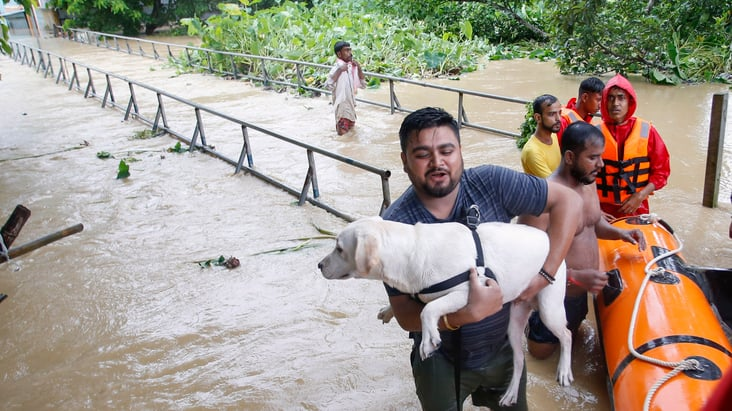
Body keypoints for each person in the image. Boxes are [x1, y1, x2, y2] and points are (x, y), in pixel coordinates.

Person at [382, 107, 581, 410]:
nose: (437, 162)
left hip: (503, 348)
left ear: (460, 151)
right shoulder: (395, 227)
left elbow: (568, 201)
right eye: (422, 154)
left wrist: (547, 273)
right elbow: (405, 314)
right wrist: (464, 315)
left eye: (446, 150)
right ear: (404, 161)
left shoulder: (491, 183)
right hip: (440, 358)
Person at [518, 121, 646, 359]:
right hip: (550, 300)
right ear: (569, 157)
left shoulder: (588, 183)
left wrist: (621, 234)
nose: (601, 164)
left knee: (571, 346)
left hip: (579, 296)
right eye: (593, 158)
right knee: (540, 356)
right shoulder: (543, 200)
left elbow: (594, 223)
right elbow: (524, 265)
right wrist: (576, 277)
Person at [596, 73, 671, 218]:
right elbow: (581, 177)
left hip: (637, 207)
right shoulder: (594, 133)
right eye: (610, 98)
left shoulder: (647, 131)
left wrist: (640, 195)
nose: (615, 103)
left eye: (621, 97)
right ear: (604, 102)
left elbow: (662, 173)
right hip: (602, 210)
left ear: (630, 101)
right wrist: (595, 211)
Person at [325, 41, 366, 135]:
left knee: (349, 138)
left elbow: (363, 85)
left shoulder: (350, 67)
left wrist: (359, 68)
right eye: (346, 51)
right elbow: (328, 85)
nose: (350, 53)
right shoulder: (337, 68)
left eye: (350, 50)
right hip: (342, 110)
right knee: (343, 137)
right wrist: (339, 70)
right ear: (339, 54)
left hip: (351, 109)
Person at [520, 94, 562, 178]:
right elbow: (552, 185)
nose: (558, 118)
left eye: (559, 113)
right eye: (551, 114)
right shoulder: (532, 151)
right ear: (538, 118)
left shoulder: (553, 136)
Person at [557, 77, 605, 141]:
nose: (600, 105)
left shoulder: (588, 120)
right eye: (598, 100)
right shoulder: (563, 121)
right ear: (585, 97)